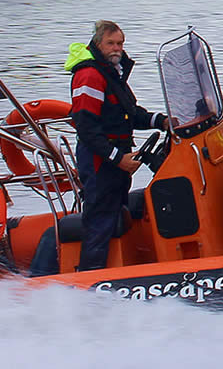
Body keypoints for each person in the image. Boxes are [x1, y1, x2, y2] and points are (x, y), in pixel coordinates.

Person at [66, 20, 168, 271]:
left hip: (116, 161)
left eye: (120, 43)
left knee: (115, 214)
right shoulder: (90, 75)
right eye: (111, 43)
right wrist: (118, 158)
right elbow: (86, 128)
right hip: (100, 161)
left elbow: (129, 113)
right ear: (98, 44)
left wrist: (162, 121)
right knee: (100, 221)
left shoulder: (112, 73)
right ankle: (90, 276)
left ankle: (120, 269)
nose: (117, 49)